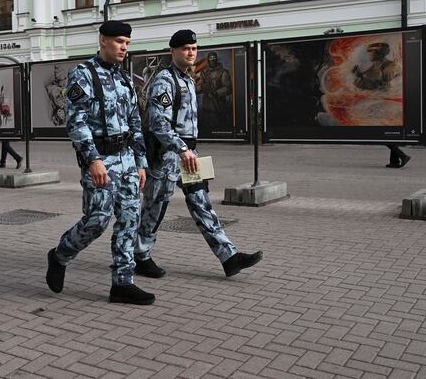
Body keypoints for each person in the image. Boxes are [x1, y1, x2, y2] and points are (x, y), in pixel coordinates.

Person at [135, 29, 263, 279]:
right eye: (185, 48)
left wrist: (189, 150)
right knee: (155, 207)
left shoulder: (189, 80)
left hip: (190, 155)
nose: (191, 52)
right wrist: (182, 149)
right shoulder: (164, 80)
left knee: (201, 202)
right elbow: (159, 125)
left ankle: (229, 257)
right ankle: (140, 255)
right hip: (167, 157)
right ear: (173, 51)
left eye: (194, 48)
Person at [45, 20, 154, 305]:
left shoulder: (125, 79)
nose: (124, 48)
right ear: (103, 40)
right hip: (101, 160)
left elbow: (135, 123)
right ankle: (60, 255)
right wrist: (92, 160)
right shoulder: (83, 75)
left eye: (127, 43)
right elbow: (76, 122)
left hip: (127, 159)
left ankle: (122, 283)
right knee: (97, 220)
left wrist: (141, 162)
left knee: (130, 219)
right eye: (119, 41)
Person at [196, 51, 232, 136]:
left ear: (216, 59)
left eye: (214, 58)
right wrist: (202, 87)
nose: (212, 60)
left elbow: (228, 88)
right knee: (207, 127)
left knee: (220, 126)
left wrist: (216, 93)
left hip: (219, 105)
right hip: (207, 106)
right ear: (208, 60)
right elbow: (199, 87)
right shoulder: (204, 73)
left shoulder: (223, 72)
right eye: (210, 58)